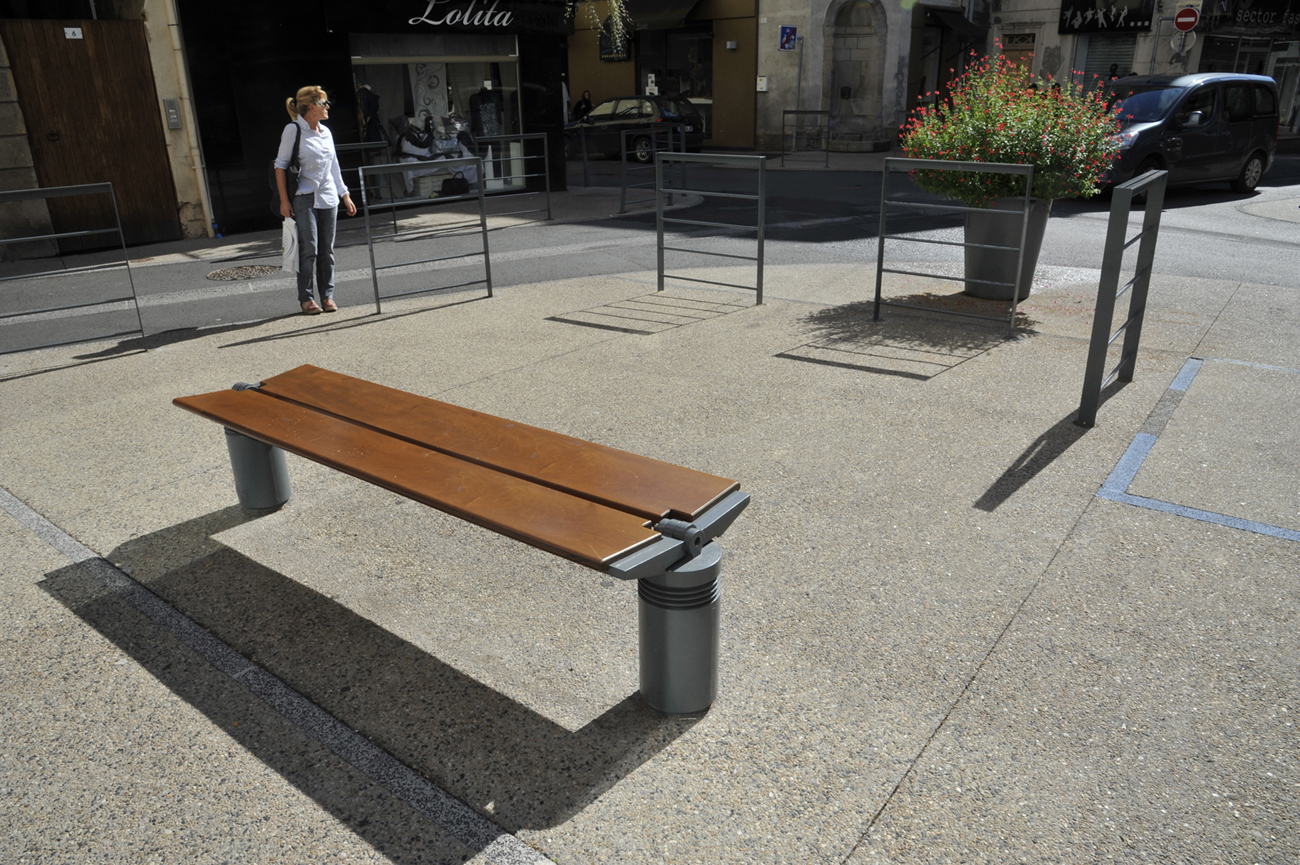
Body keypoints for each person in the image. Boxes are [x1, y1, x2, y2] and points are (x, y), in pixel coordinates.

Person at [276, 86, 356, 315]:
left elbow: (334, 166)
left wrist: (345, 194)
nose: (328, 106)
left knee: (327, 250)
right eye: (324, 103)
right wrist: (284, 201)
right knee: (309, 248)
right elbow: (280, 166)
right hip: (304, 197)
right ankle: (307, 298)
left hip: (328, 196)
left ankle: (327, 296)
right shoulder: (293, 130)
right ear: (312, 107)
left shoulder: (326, 132)